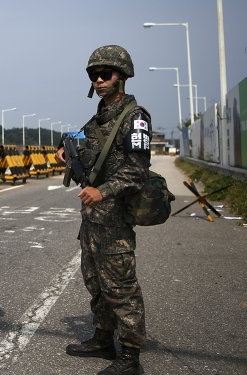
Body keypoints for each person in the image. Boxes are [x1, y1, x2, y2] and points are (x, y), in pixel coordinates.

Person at [55, 45, 151, 375]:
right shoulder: (98, 117)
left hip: (115, 218)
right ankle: (102, 338)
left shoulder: (135, 118)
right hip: (92, 220)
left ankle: (130, 357)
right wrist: (62, 151)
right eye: (94, 75)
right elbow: (77, 139)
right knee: (95, 283)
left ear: (122, 77)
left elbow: (137, 170)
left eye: (105, 74)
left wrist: (102, 190)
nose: (98, 80)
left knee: (121, 290)